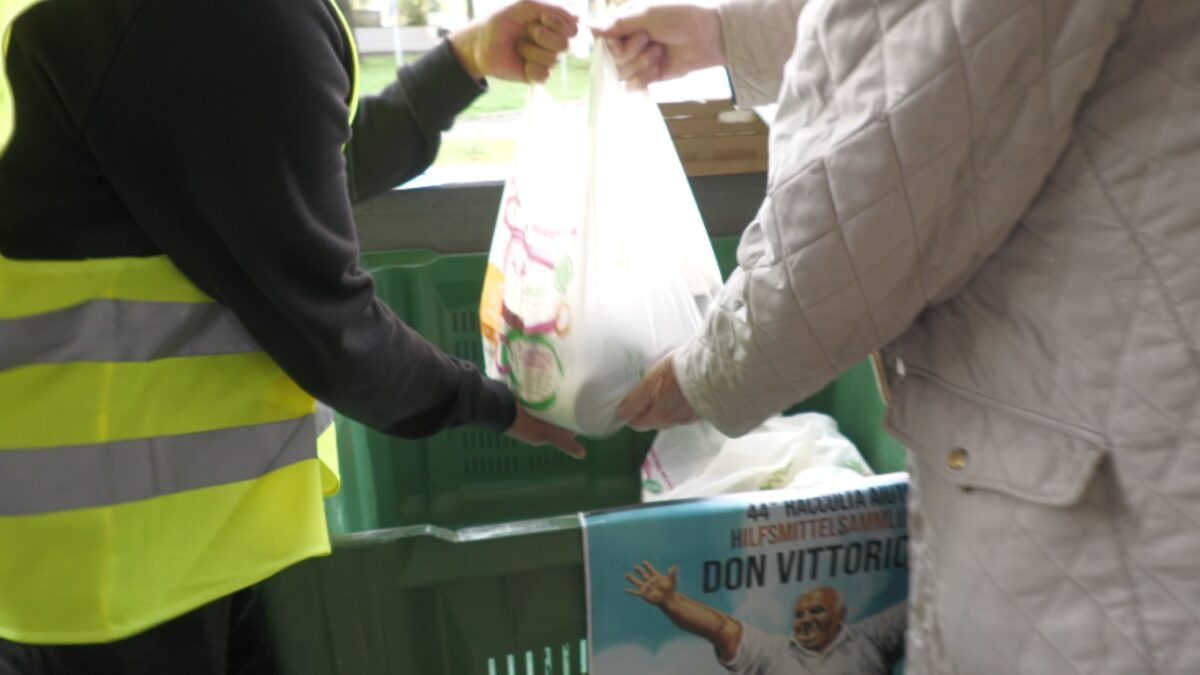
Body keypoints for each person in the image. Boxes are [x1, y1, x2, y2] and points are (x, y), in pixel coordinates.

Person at [602, 0, 1200, 672]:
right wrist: (729, 36)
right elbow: (939, 40)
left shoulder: (854, 639)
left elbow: (855, 203)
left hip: (1105, 478)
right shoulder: (786, 646)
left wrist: (703, 372)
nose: (806, 617)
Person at [0, 0, 580, 671]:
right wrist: (495, 403)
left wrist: (461, 64)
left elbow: (260, 173)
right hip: (118, 567)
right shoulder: (223, 20)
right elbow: (335, 332)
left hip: (124, 540)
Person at [625, 561, 904, 674]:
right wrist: (671, 602)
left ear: (840, 614)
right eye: (799, 614)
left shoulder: (872, 637)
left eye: (816, 611)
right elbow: (721, 628)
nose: (805, 620)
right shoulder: (774, 652)